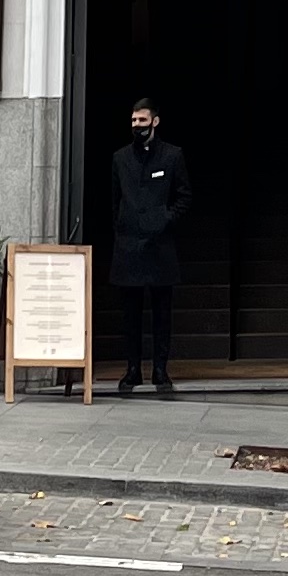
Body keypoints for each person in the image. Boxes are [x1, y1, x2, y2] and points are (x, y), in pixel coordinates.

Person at [108, 97, 189, 399]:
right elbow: (114, 201)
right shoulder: (120, 159)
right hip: (128, 247)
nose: (137, 126)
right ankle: (132, 369)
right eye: (133, 121)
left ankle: (160, 369)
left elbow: (184, 196)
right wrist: (123, 227)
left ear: (155, 121)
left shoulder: (172, 156)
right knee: (130, 315)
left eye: (142, 120)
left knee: (161, 313)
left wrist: (164, 219)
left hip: (160, 246)